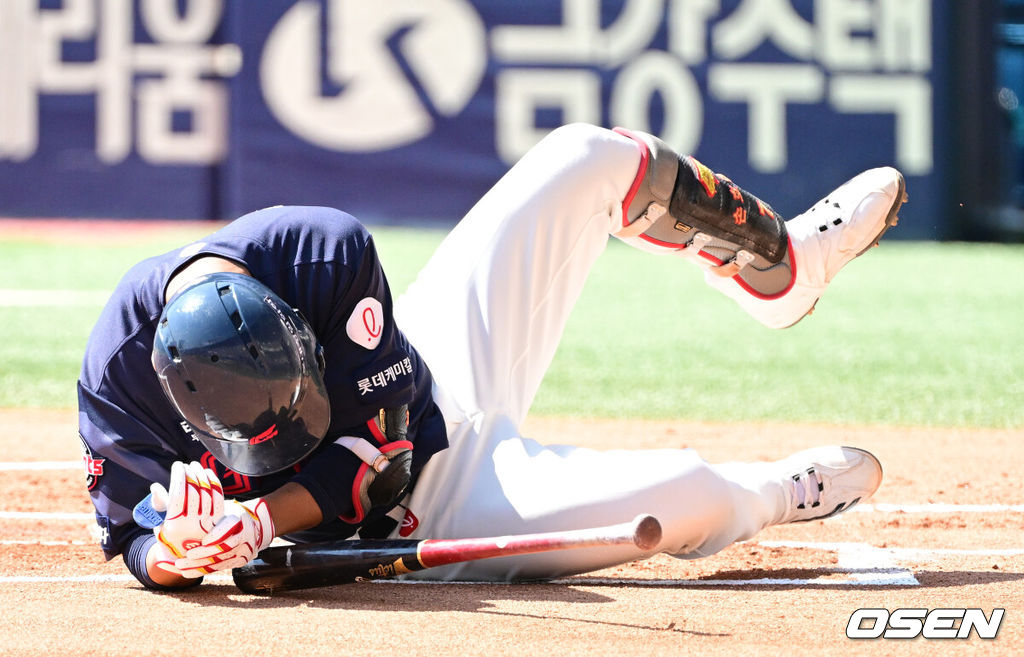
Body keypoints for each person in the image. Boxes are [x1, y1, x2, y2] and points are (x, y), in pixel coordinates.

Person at [78, 124, 905, 590]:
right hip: (445, 511)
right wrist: (179, 552)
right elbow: (135, 536)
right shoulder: (116, 379)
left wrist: (261, 516)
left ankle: (780, 267)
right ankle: (771, 493)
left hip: (415, 425)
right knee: (684, 494)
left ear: (290, 322)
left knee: (588, 158)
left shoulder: (321, 252)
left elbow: (381, 460)